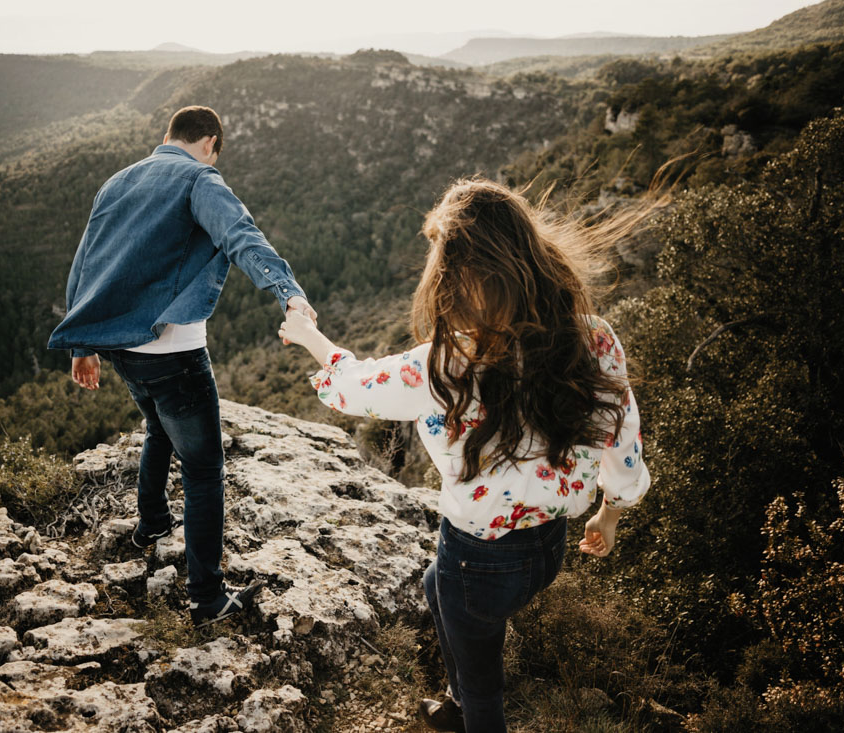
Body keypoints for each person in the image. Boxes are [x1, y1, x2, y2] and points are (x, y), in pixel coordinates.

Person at [278, 178, 653, 732]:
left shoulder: (442, 366)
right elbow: (624, 438)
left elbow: (352, 387)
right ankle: (457, 703)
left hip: (477, 559)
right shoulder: (593, 338)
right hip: (548, 549)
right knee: (436, 584)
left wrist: (311, 336)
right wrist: (611, 512)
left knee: (484, 688)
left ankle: (465, 710)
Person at [48, 105, 317, 628]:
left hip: (122, 347)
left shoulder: (116, 182)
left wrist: (81, 345)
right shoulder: (200, 178)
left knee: (157, 426)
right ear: (211, 141)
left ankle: (150, 526)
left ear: (166, 136)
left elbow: (83, 264)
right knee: (203, 470)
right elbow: (242, 236)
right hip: (175, 352)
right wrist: (289, 294)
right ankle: (207, 598)